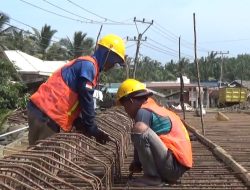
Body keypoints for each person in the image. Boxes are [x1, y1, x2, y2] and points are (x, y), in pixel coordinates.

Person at [27, 34, 125, 145]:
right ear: (107, 54)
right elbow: (86, 96)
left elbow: (74, 101)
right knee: (43, 155)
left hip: (47, 111)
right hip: (46, 111)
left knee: (45, 152)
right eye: (114, 62)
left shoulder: (91, 67)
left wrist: (78, 122)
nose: (112, 66)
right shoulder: (89, 65)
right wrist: (91, 127)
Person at [116, 79, 193, 187]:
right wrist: (137, 163)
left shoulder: (143, 111)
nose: (126, 111)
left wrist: (137, 162)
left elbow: (141, 133)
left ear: (131, 101)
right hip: (174, 166)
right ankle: (153, 176)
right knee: (140, 129)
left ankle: (152, 177)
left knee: (139, 128)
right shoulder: (153, 108)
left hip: (173, 168)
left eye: (125, 107)